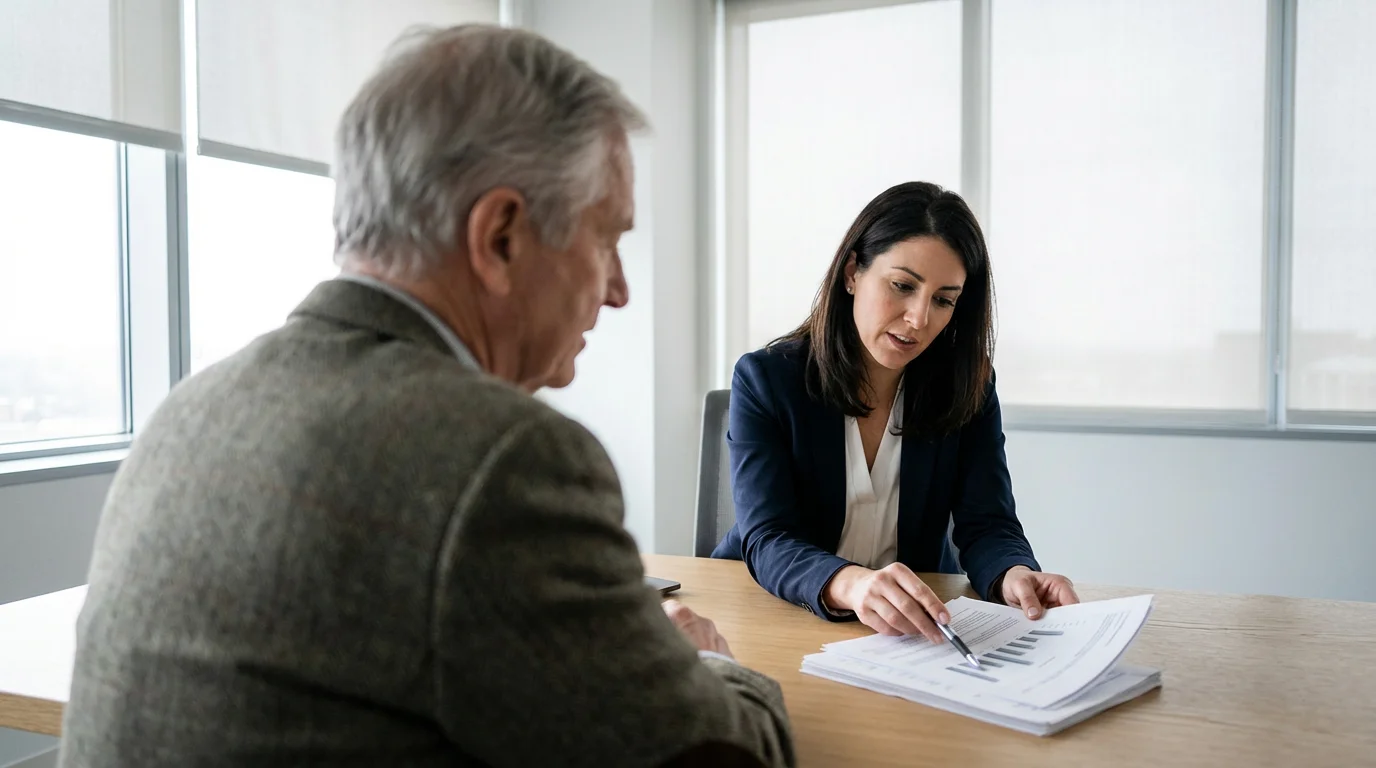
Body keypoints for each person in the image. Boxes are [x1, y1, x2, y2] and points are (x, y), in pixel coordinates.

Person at [59, 24, 794, 768]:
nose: (619, 290)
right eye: (607, 240)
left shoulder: (191, 410)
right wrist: (707, 664)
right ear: (501, 236)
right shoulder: (501, 460)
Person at [712, 182, 1078, 644]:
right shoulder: (768, 380)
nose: (919, 319)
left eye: (944, 299)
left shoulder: (969, 386)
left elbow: (987, 521)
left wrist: (1012, 572)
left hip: (907, 631)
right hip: (772, 611)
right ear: (852, 273)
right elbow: (768, 537)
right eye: (902, 286)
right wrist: (852, 583)